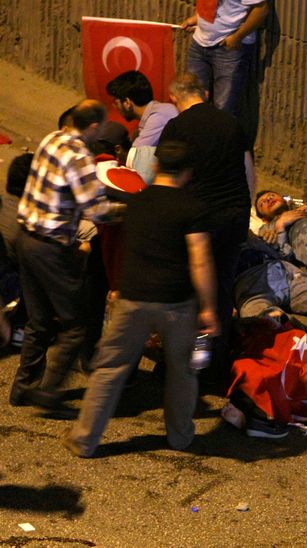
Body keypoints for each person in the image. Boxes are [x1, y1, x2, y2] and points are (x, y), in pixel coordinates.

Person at [64, 140, 219, 457]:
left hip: (132, 298)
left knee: (110, 369)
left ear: (157, 166)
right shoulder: (193, 208)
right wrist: (208, 307)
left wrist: (117, 287)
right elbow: (200, 259)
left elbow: (126, 249)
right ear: (188, 172)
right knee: (181, 371)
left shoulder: (136, 202)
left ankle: (84, 439)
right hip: (176, 302)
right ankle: (180, 437)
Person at [10, 100, 124, 408]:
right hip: (50, 249)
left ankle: (23, 388)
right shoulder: (80, 157)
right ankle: (48, 393)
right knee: (76, 325)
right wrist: (130, 209)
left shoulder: (51, 139)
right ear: (92, 127)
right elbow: (96, 209)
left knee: (39, 320)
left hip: (26, 239)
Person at [160, 73, 253, 388]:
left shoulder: (177, 128)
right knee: (222, 290)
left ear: (175, 98)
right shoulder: (231, 122)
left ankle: (187, 364)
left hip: (201, 220)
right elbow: (247, 170)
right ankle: (215, 365)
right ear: (207, 92)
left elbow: (169, 180)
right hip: (235, 216)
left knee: (192, 291)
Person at [180, 0, 270, 116]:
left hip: (229, 48)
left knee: (224, 109)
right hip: (199, 42)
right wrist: (197, 18)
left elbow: (262, 8)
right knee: (192, 102)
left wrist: (237, 37)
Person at [105, 70, 179, 184]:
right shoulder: (156, 114)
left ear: (127, 103)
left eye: (116, 102)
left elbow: (134, 160)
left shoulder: (159, 116)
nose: (115, 107)